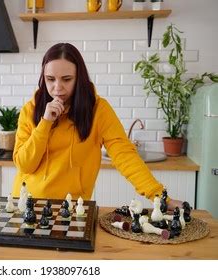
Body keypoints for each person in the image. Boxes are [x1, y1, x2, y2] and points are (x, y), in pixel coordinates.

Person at [12, 43, 182, 210]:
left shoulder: (99, 110)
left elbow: (124, 155)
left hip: (72, 209)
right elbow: (24, 165)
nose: (57, 88)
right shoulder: (31, 109)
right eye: (50, 79)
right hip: (27, 205)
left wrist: (160, 197)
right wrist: (45, 123)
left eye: (66, 79)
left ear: (79, 78)